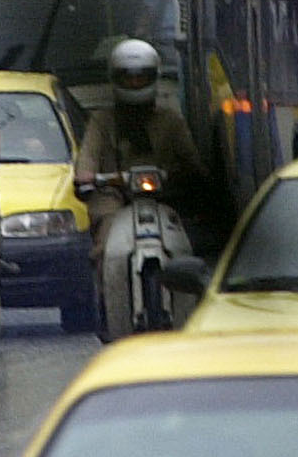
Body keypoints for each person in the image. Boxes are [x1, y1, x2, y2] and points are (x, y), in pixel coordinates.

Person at [72, 39, 209, 336]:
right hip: (114, 196)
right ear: (115, 79)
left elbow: (192, 162)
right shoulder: (102, 120)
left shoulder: (170, 121)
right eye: (127, 77)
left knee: (189, 249)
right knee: (104, 241)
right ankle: (109, 304)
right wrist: (88, 177)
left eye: (141, 77)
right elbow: (88, 158)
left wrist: (188, 178)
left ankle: (191, 309)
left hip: (164, 197)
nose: (134, 83)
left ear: (153, 77)